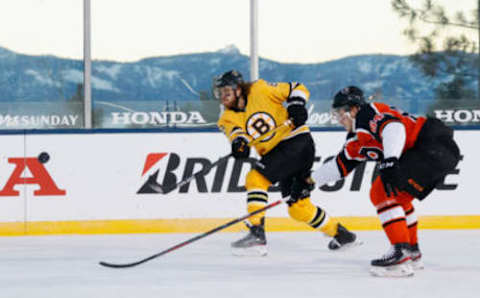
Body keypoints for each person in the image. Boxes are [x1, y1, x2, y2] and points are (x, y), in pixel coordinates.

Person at [311, 86, 461, 277]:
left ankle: (400, 255)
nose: (339, 118)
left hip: (431, 146)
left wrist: (390, 159)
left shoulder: (367, 114)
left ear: (354, 109)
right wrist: (308, 182)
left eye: (340, 112)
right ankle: (412, 253)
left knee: (381, 192)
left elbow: (394, 127)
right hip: (438, 151)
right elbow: (339, 166)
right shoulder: (356, 138)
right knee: (399, 198)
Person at [214, 70, 358, 256]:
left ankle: (256, 230)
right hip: (282, 154)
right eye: (219, 92)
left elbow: (298, 88)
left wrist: (296, 105)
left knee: (256, 179)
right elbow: (236, 134)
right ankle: (342, 234)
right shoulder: (226, 118)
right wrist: (239, 144)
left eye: (226, 91)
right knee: (298, 208)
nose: (222, 97)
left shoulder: (260, 89)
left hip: (296, 142)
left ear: (239, 90)